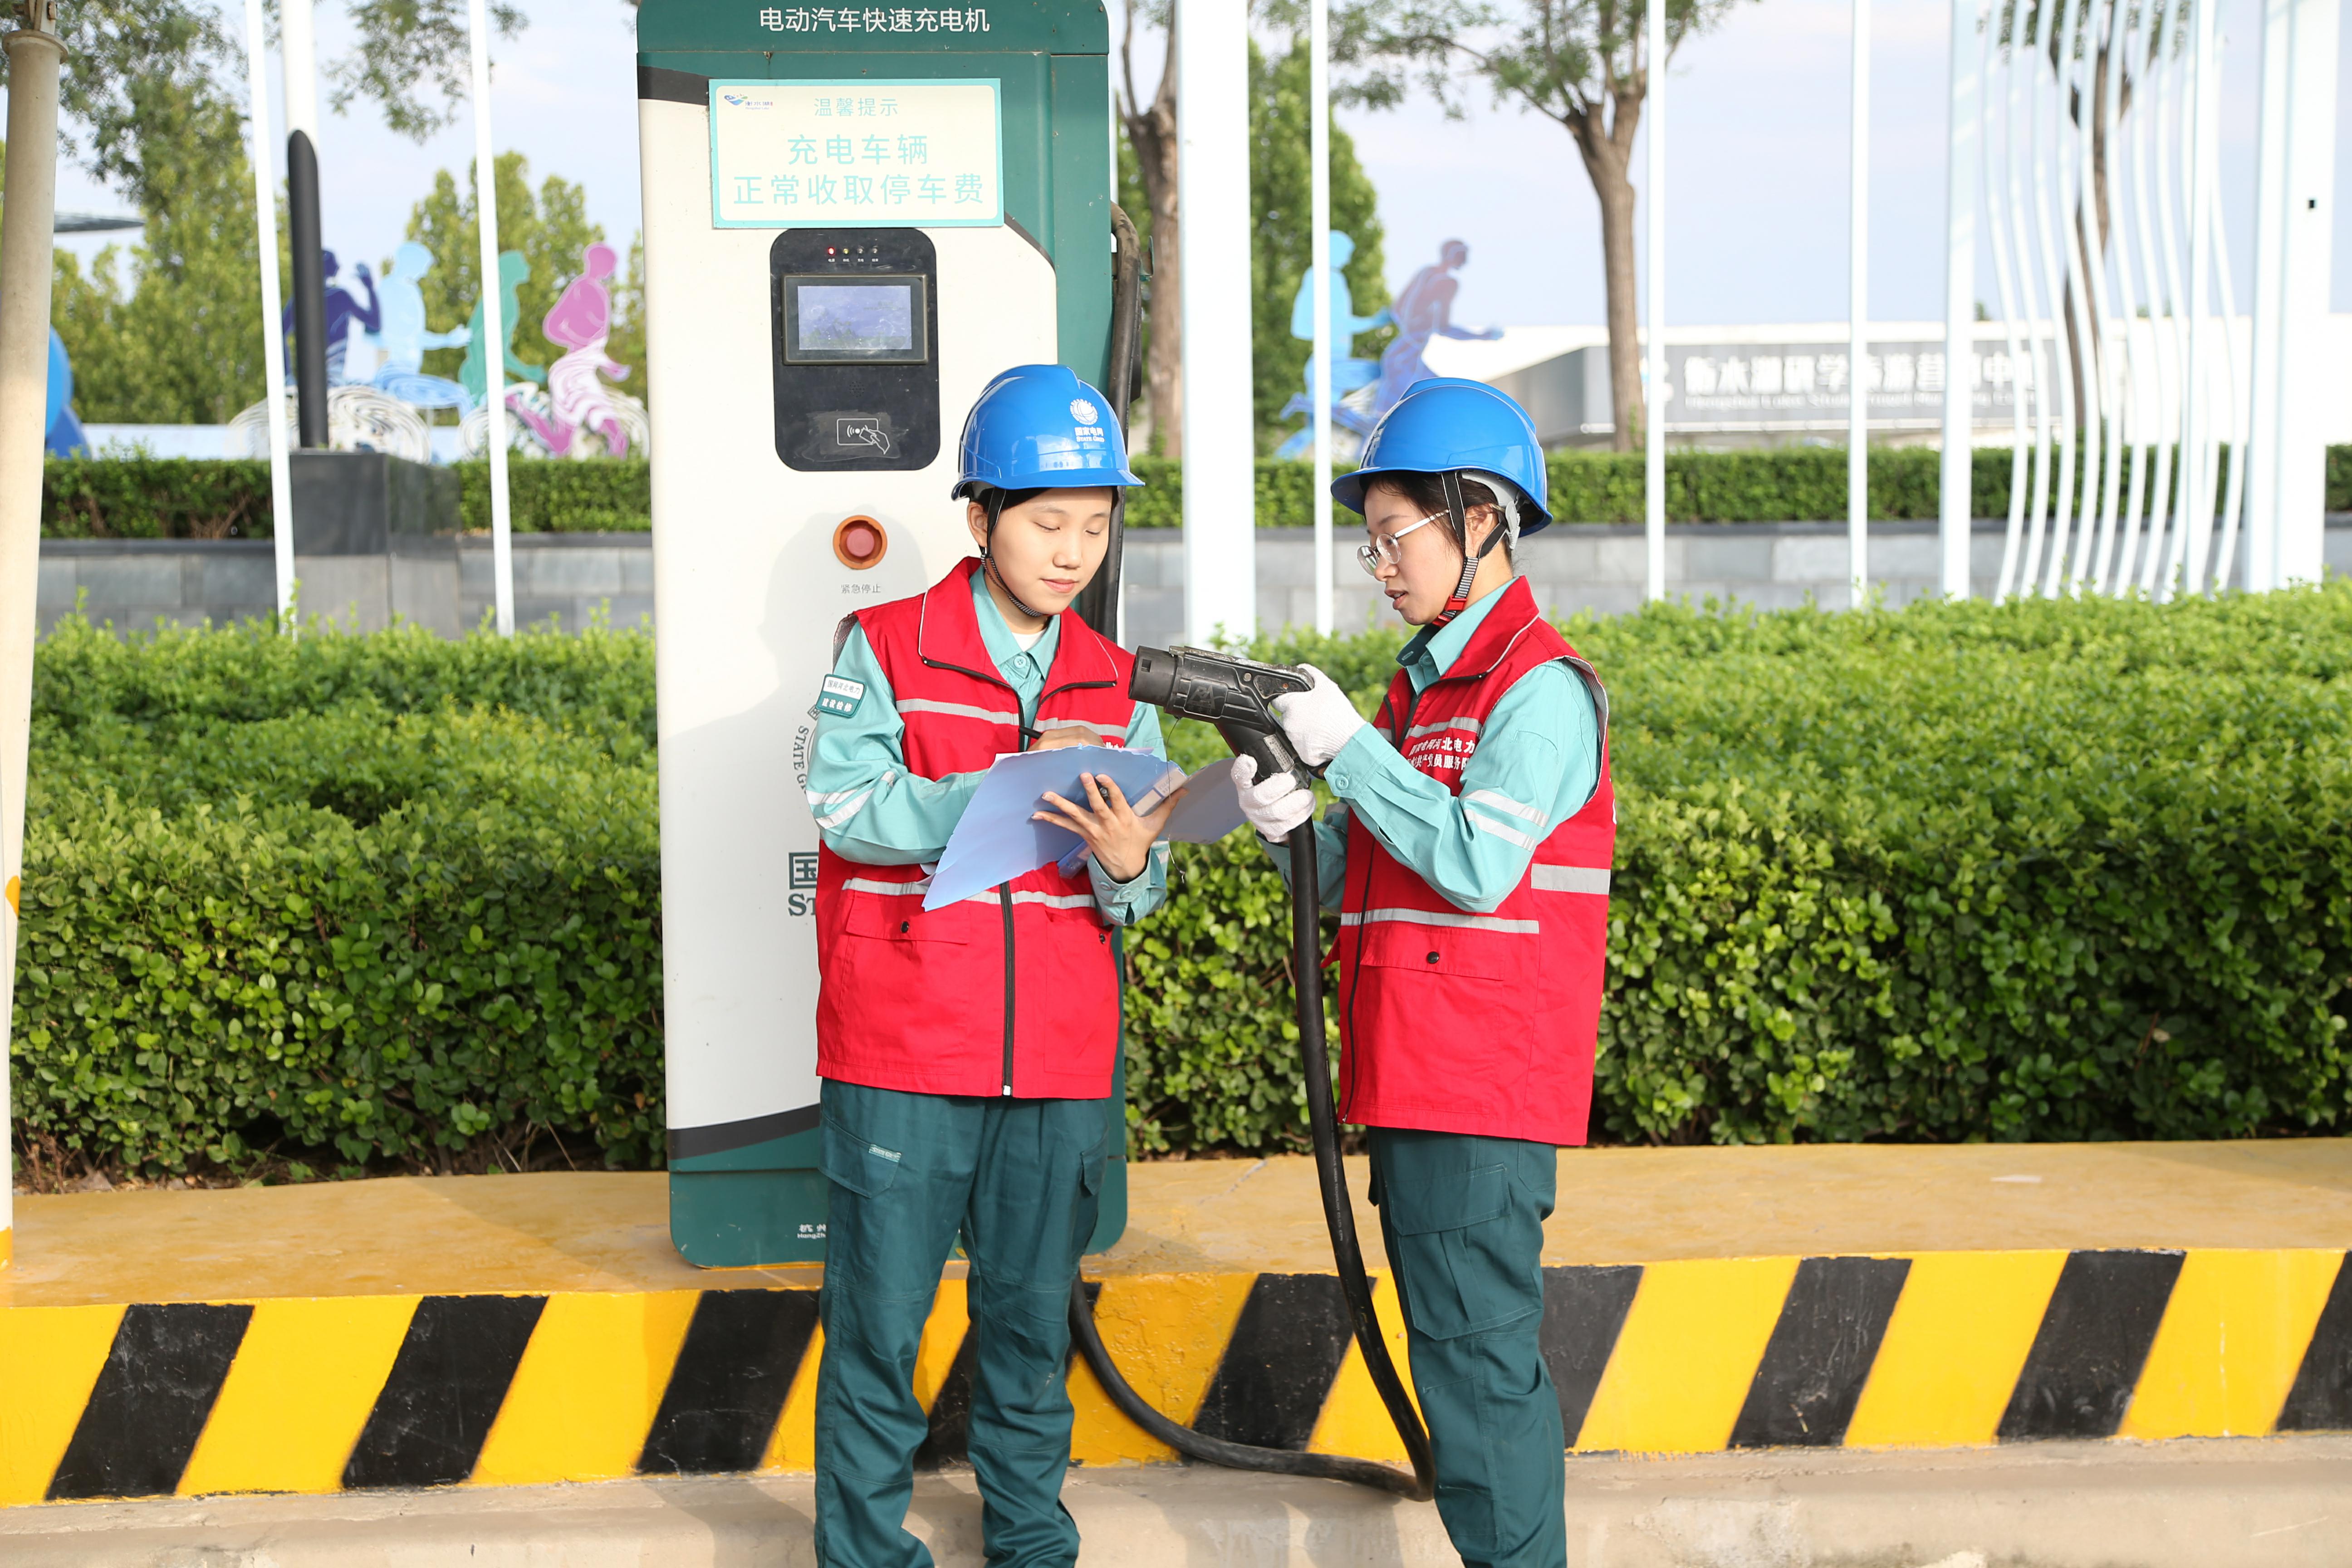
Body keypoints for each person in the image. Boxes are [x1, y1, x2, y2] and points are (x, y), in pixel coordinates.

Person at [804, 363, 1182, 1568]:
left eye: (1095, 526)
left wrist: (1128, 862)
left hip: (1058, 1062)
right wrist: (994, 787)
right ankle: (865, 1554)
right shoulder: (884, 646)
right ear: (980, 519)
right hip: (906, 1053)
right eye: (1047, 522)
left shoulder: (1120, 686)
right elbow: (844, 803)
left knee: (1028, 1334)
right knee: (879, 1330)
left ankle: (1031, 1543)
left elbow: (1144, 886)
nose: (1073, 552)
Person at [1234, 378, 1607, 1568]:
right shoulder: (1425, 690)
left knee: (1480, 1377)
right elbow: (1370, 866)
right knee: (1462, 1368)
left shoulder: (1538, 690)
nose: (1382, 565)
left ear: (1481, 519)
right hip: (1418, 1080)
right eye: (1374, 542)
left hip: (1478, 1091)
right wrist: (1292, 822)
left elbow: (1476, 864)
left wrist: (1350, 750)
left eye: (1397, 536)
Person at [1372, 239, 1503, 415]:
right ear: (1451, 255)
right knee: (1437, 401)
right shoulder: (1447, 283)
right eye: (1463, 255)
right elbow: (1444, 328)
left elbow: (1399, 309)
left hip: (1402, 353)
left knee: (1431, 398)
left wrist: (1411, 330)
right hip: (1407, 356)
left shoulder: (1427, 273)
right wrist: (1483, 336)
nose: (1465, 261)